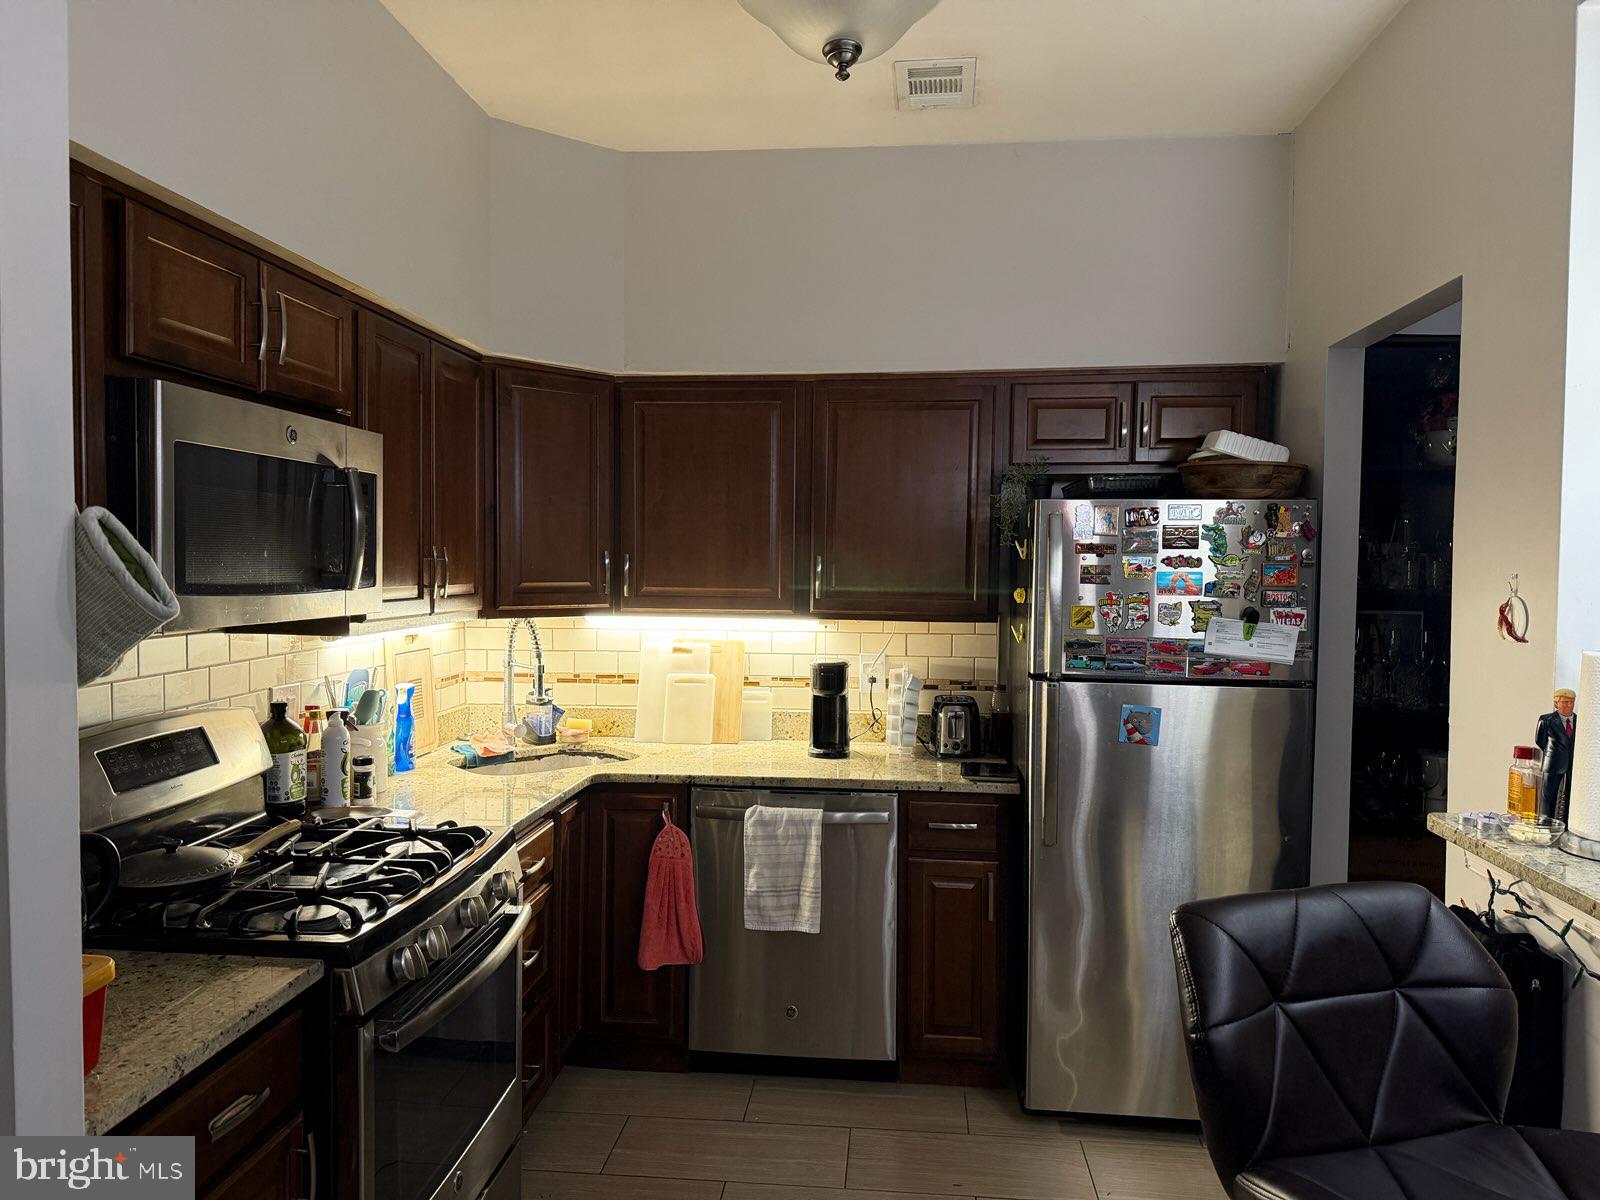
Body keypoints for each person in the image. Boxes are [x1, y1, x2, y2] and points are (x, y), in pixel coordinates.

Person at [1535, 688, 1578, 821]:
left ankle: (1566, 822)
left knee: (1571, 794)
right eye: (1565, 702)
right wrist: (1553, 753)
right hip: (1553, 762)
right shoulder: (1546, 720)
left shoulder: (1579, 721)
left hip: (1573, 763)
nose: (1569, 706)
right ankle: (1545, 823)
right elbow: (1540, 740)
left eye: (1571, 702)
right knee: (1549, 795)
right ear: (1556, 704)